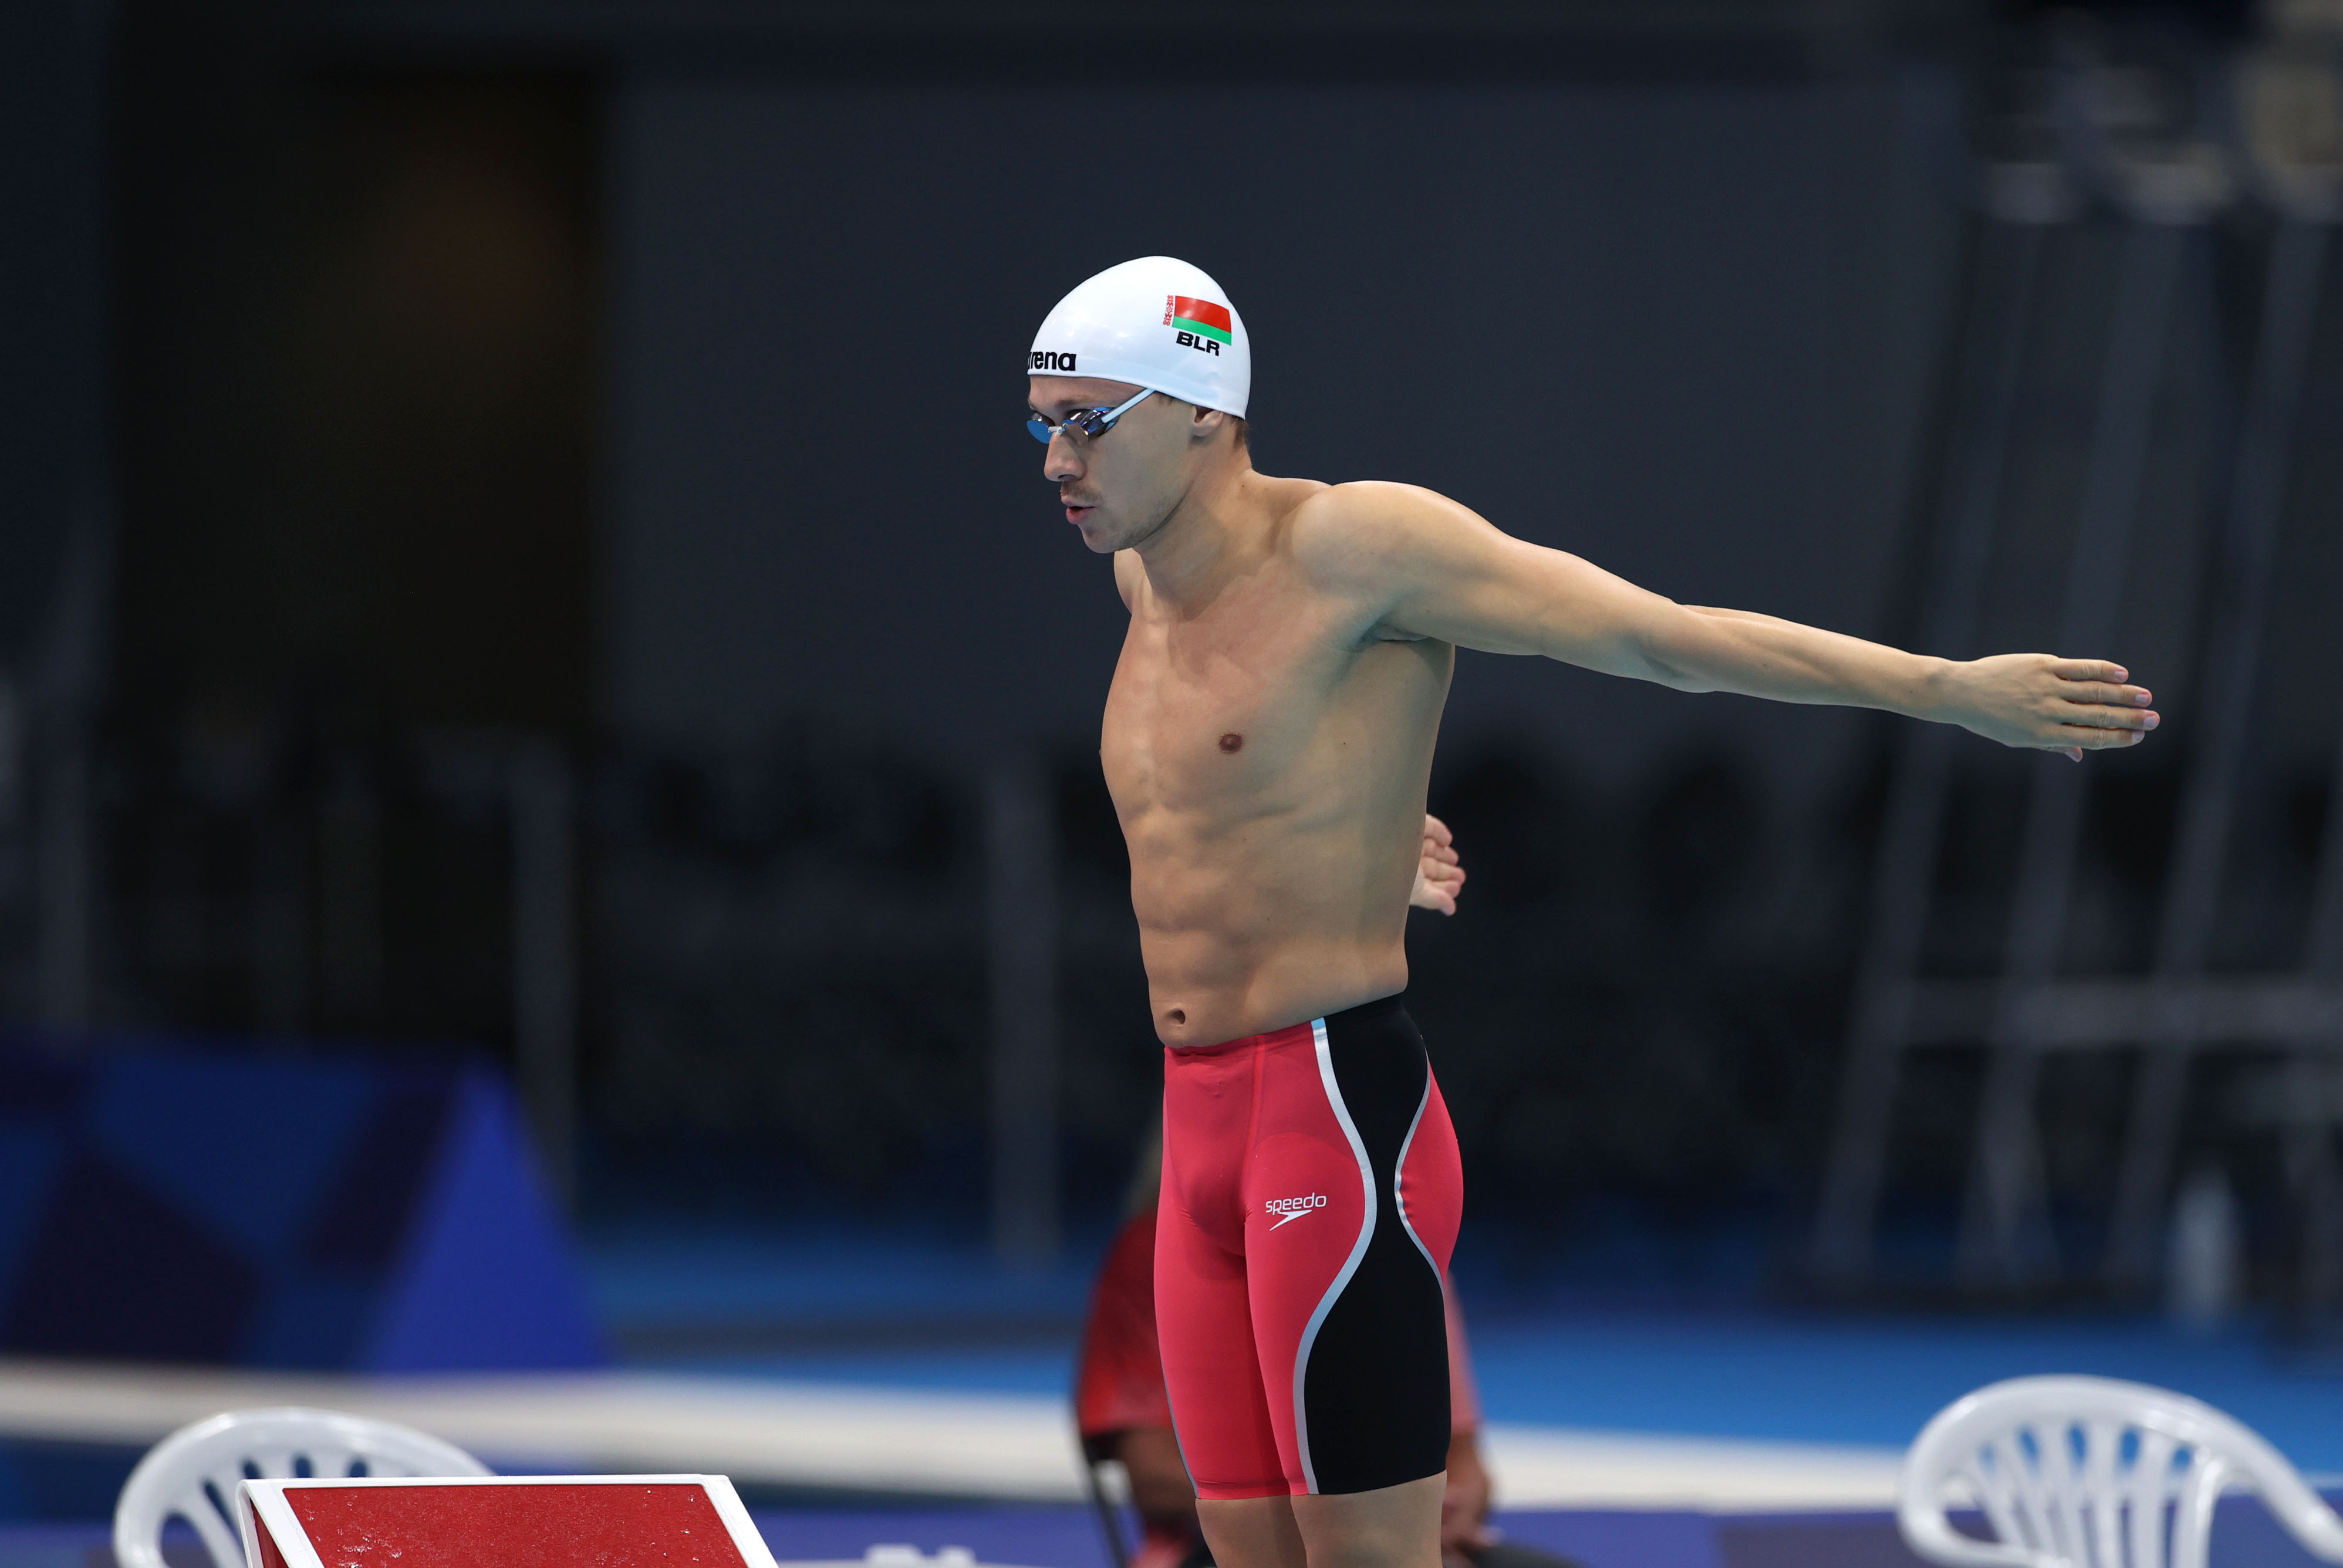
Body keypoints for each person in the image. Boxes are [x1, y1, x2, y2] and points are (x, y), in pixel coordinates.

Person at [1024, 256, 2157, 1568]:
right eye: (1041, 425)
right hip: (1195, 1128)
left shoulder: (1357, 547)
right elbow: (1243, 791)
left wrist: (1943, 688)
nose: (1057, 463)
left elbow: (1659, 637)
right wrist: (1368, 844)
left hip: (1323, 1116)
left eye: (1087, 422)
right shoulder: (1144, 582)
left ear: (1202, 412)